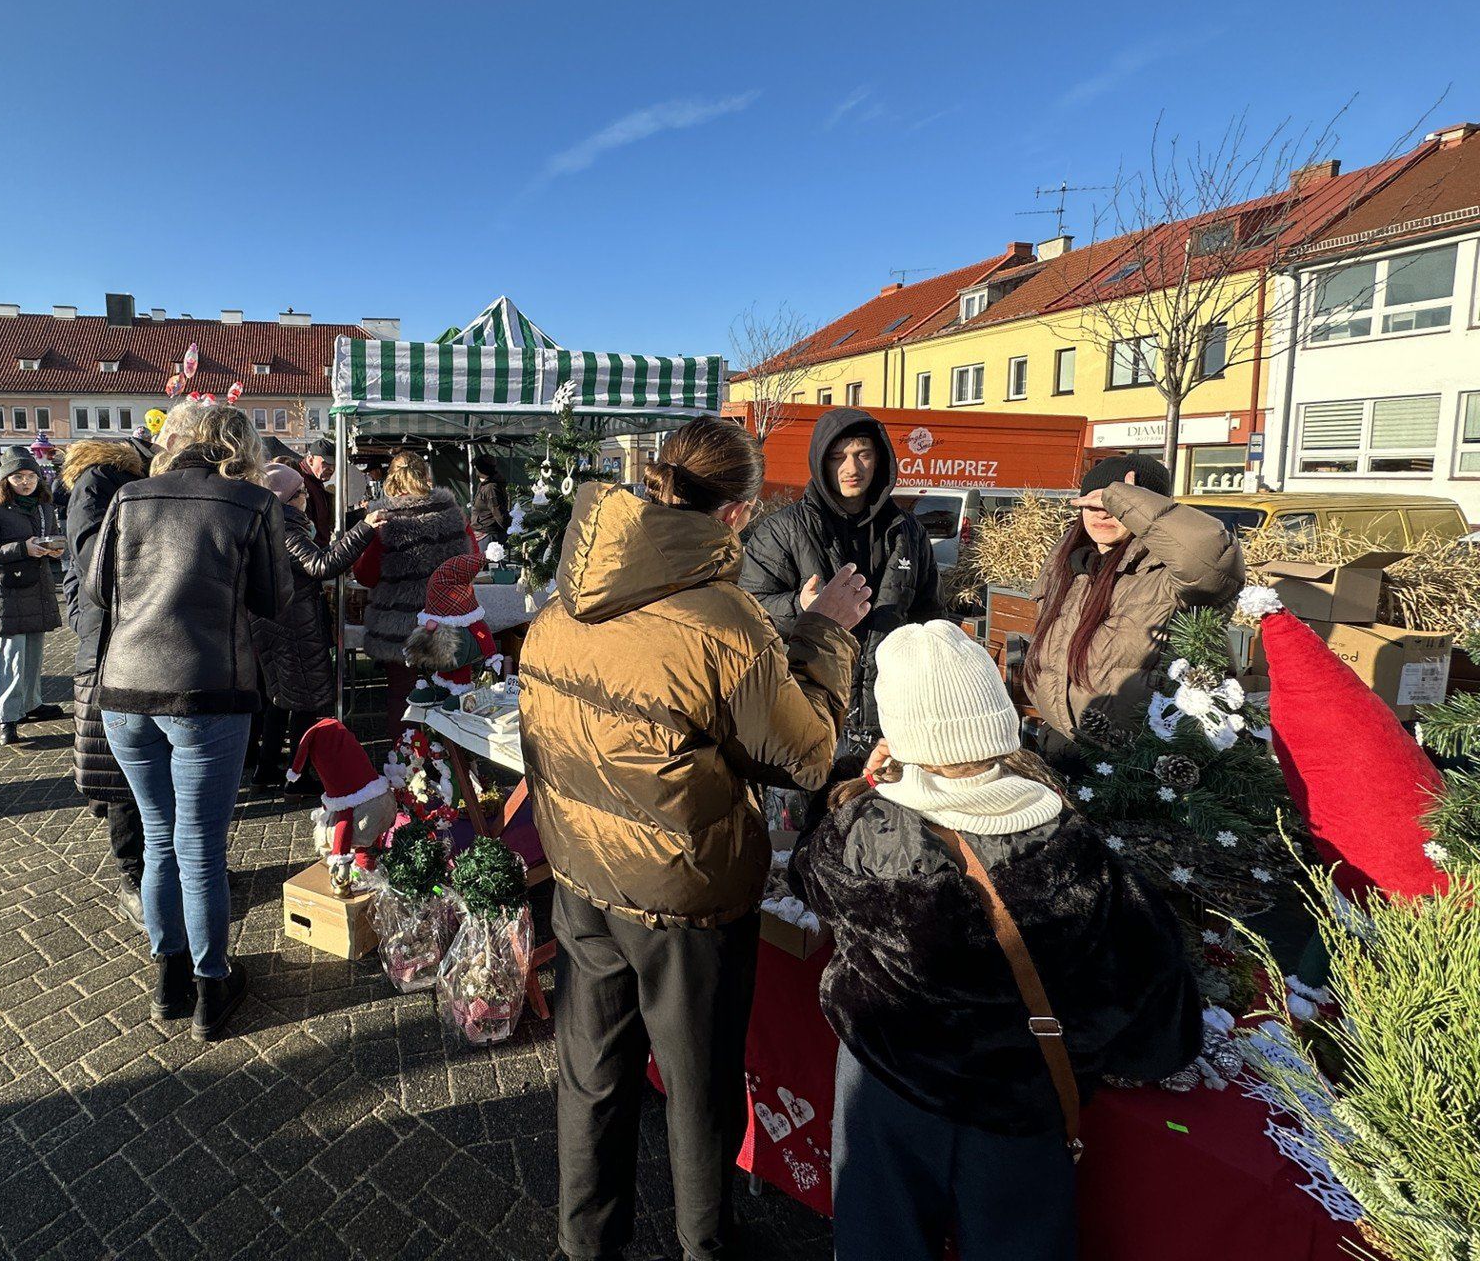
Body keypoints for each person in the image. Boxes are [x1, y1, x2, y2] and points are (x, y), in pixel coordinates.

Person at [518, 415, 872, 1261]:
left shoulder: (568, 595)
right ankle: (705, 1246)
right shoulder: (726, 622)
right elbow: (806, 756)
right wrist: (825, 632)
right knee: (699, 1090)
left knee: (591, 1078)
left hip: (583, 878)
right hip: (685, 899)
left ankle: (584, 1244)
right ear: (737, 514)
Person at [792, 621, 1202, 1260]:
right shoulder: (1073, 845)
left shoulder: (862, 833)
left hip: (888, 1088)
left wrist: (865, 782)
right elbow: (1155, 992)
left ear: (898, 732)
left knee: (879, 1240)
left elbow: (806, 875)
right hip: (1022, 1105)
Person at [86, 401, 289, 1038]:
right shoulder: (253, 503)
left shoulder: (130, 497)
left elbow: (96, 589)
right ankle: (209, 986)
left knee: (158, 838)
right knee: (199, 848)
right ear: (241, 446)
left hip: (125, 688)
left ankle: (169, 979)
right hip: (208, 688)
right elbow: (274, 598)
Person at [740, 406, 943, 771]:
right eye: (838, 457)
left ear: (879, 458)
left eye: (863, 454)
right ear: (821, 461)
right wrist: (801, 607)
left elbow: (931, 615)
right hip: (810, 711)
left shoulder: (908, 532)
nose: (852, 468)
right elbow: (748, 612)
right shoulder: (782, 531)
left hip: (892, 716)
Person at [1024, 454, 1244, 756]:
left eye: (1115, 506)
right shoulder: (1068, 564)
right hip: (1062, 743)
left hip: (1139, 762)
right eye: (1092, 504)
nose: (1102, 514)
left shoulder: (1170, 574)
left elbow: (1214, 560)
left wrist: (1129, 499)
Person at [60, 431, 155, 930]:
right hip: (110, 649)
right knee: (118, 774)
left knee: (148, 769)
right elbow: (94, 563)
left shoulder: (121, 482)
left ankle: (159, 869)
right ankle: (132, 877)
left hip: (134, 642)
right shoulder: (102, 480)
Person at [249, 463, 380, 791]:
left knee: (280, 700)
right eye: (302, 493)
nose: (307, 497)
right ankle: (297, 778)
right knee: (305, 703)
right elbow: (321, 565)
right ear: (289, 498)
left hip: (275, 622)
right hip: (293, 625)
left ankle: (265, 770)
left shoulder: (267, 524)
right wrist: (364, 529)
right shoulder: (286, 528)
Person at [353, 450, 477, 721]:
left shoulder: (384, 519)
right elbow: (472, 561)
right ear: (425, 475)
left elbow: (365, 575)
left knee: (403, 697)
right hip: (445, 620)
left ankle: (407, 747)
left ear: (391, 478)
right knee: (449, 695)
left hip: (400, 627)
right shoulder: (452, 513)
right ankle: (443, 747)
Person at [0, 453, 64, 746]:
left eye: (31, 476)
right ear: (5, 480)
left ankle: (31, 703)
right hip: (5, 591)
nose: (25, 482)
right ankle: (6, 717)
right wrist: (22, 548)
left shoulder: (44, 508)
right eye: (18, 477)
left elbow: (51, 536)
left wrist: (55, 549)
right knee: (10, 655)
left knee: (33, 651)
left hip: (36, 586)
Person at [298, 439, 338, 546]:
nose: (331, 469)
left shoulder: (315, 482)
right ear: (310, 460)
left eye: (334, 464)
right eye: (326, 463)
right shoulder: (301, 482)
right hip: (311, 549)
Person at [469, 454, 510, 551]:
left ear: (481, 469)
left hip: (489, 536)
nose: (475, 469)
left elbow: (498, 513)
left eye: (476, 467)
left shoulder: (491, 488)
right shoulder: (484, 485)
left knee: (487, 560)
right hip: (482, 534)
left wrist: (508, 531)